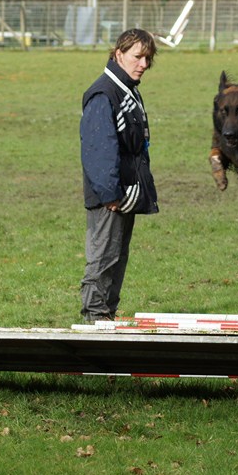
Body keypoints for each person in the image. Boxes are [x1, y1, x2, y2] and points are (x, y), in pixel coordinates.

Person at [79, 28, 159, 323]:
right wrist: (110, 193)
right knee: (102, 260)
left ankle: (106, 317)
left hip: (125, 193)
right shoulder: (104, 93)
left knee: (117, 259)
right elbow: (99, 148)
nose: (144, 64)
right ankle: (94, 320)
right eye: (138, 57)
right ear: (118, 54)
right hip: (110, 196)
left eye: (148, 58)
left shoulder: (127, 89)